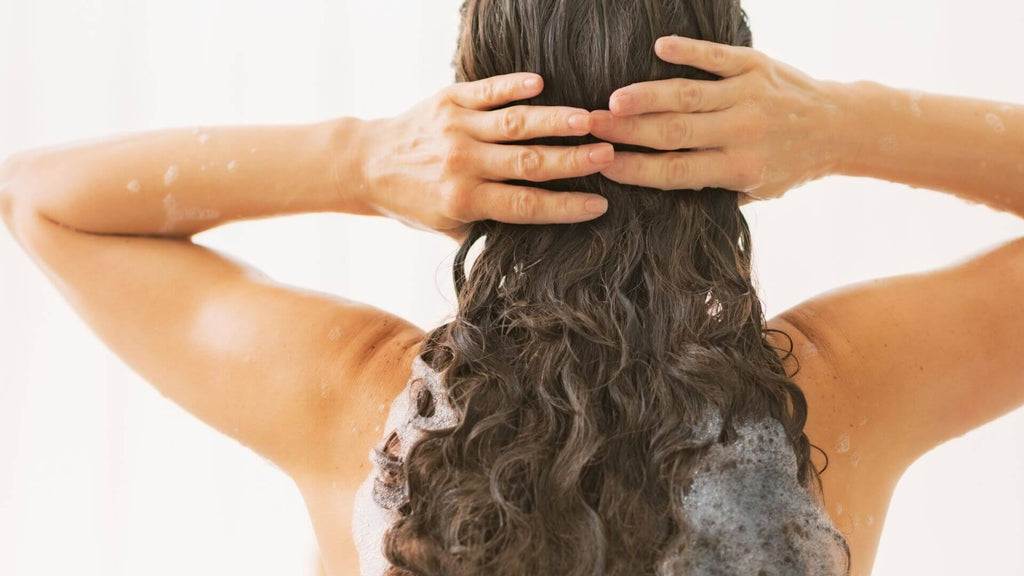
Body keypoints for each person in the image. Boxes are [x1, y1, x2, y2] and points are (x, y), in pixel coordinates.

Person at [1, 0, 1021, 574]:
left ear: (465, 113)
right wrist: (845, 124)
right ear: (743, 119)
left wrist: (359, 159)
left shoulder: (359, 413)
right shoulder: (834, 403)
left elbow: (42, 196)